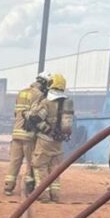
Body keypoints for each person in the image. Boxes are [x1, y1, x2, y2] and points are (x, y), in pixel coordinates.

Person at [3, 71, 51, 196]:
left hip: (16, 133)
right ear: (44, 83)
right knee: (31, 163)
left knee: (14, 161)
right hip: (29, 135)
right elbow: (36, 116)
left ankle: (8, 186)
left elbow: (16, 113)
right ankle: (30, 187)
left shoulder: (21, 92)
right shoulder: (40, 95)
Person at [29, 73, 74, 202]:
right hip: (59, 142)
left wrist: (31, 116)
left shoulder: (47, 102)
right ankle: (55, 195)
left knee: (40, 166)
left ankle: (43, 195)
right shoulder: (66, 102)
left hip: (45, 140)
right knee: (54, 168)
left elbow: (36, 118)